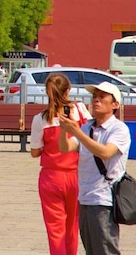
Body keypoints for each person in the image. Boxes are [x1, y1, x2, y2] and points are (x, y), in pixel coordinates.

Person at [57, 82, 130, 255]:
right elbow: (65, 148)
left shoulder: (119, 129)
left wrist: (77, 132)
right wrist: (64, 129)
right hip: (85, 196)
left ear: (115, 104)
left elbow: (105, 153)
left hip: (104, 198)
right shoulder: (87, 127)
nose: (96, 100)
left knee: (105, 249)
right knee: (91, 249)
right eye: (94, 97)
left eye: (102, 97)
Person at [30, 74, 91, 255]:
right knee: (72, 225)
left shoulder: (41, 118)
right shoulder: (79, 110)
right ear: (68, 90)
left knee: (55, 229)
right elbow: (89, 135)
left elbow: (35, 152)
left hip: (51, 176)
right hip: (76, 174)